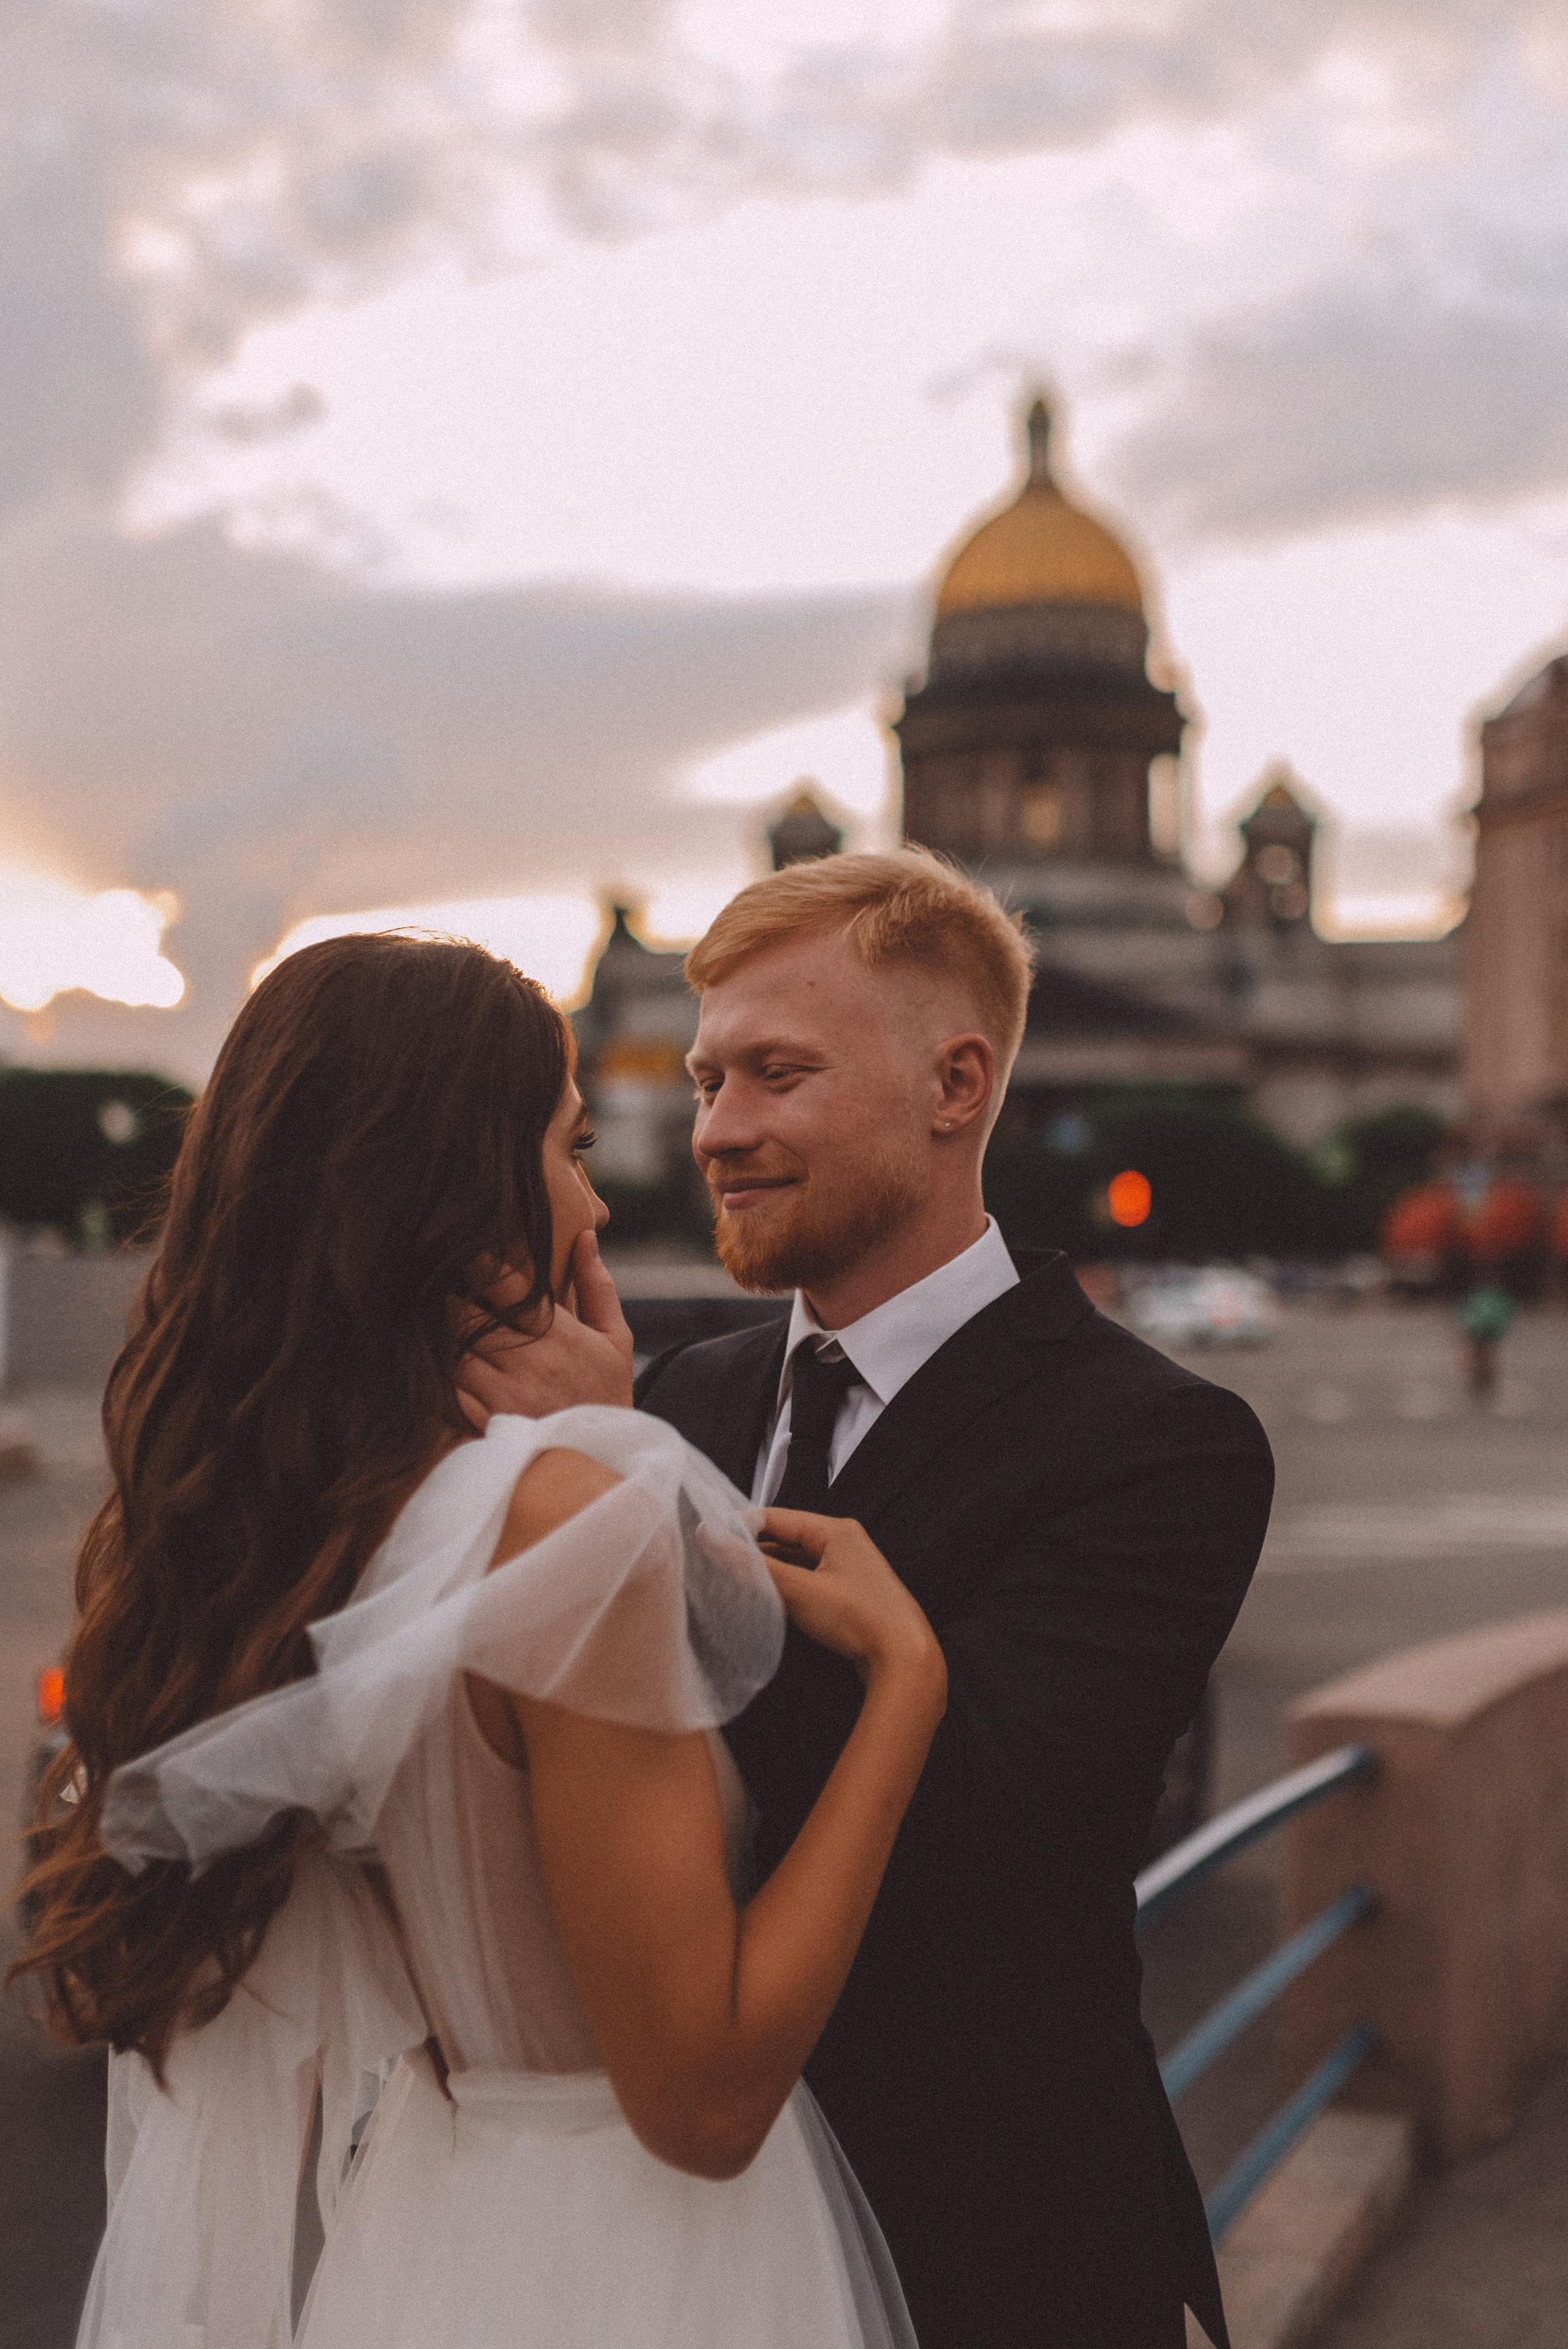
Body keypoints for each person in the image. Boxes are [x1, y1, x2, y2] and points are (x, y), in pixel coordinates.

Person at [12, 932, 948, 2349]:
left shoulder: (302, 1521)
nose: (595, 1190)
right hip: (642, 2261)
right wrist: (904, 1690)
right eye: (569, 1147)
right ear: (471, 1186)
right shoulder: (566, 1522)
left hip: (421, 2232)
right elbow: (700, 2102)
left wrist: (605, 1442)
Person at [462, 851, 1276, 2349]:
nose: (716, 1130)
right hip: (672, 2248)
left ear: (954, 1084)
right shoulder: (672, 1390)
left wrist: (628, 1501)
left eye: (776, 1075)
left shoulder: (1159, 1444)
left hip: (990, 2255)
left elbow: (961, 1824)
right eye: (706, 1079)